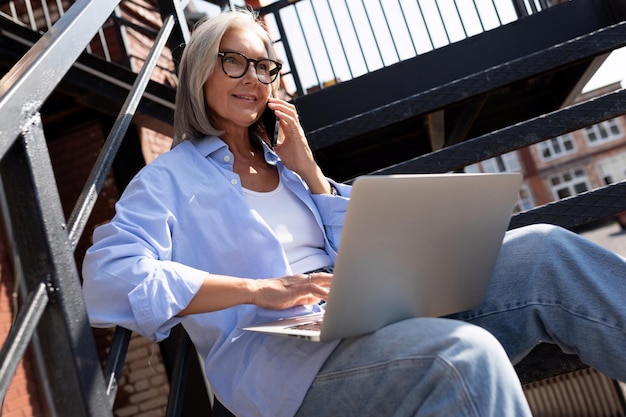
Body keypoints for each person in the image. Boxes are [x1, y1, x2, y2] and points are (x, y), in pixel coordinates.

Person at [82, 8, 626, 417]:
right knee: (464, 356)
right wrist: (257, 290)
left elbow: (359, 256)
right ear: (202, 70)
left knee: (545, 252)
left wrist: (312, 174)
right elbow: (108, 278)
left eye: (264, 66)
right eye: (234, 62)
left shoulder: (290, 167)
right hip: (286, 364)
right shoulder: (168, 180)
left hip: (365, 321)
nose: (253, 77)